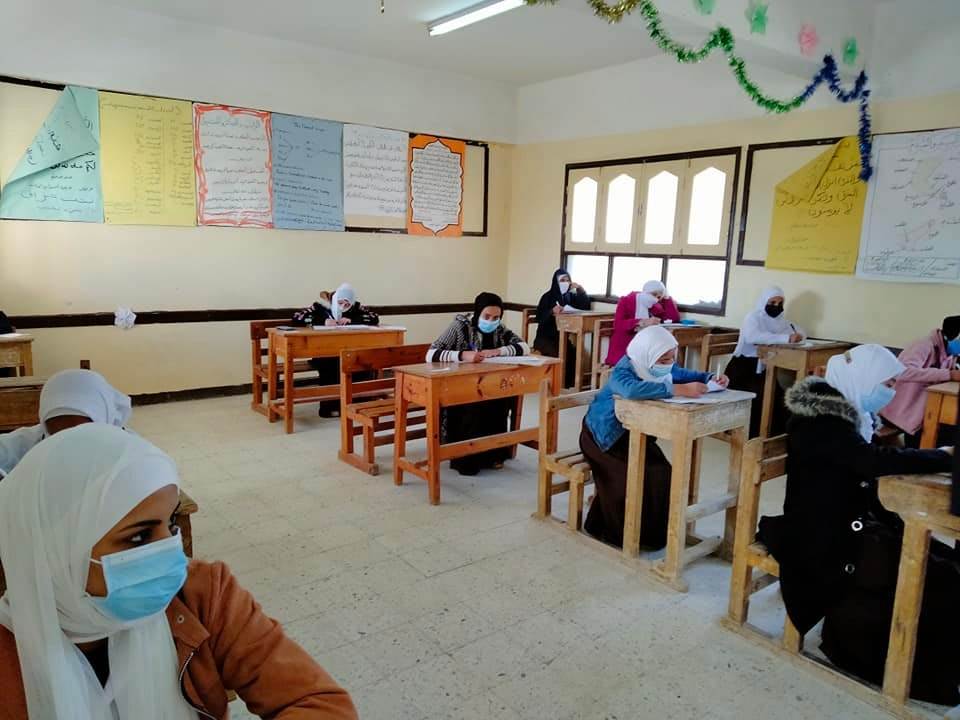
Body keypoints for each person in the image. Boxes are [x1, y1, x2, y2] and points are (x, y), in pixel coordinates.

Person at [0, 424, 358, 719]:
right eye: (138, 537)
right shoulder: (11, 651)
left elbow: (319, 703)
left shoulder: (200, 595)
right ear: (57, 552)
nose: (170, 551)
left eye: (170, 525)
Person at [757, 344, 958, 705]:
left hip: (847, 521)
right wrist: (940, 457)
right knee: (937, 577)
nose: (892, 391)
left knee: (942, 559)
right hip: (821, 538)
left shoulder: (849, 414)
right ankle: (901, 668)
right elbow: (871, 461)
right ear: (862, 378)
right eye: (888, 383)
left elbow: (869, 460)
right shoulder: (819, 421)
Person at [580, 326, 726, 550]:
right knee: (629, 478)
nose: (669, 364)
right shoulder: (624, 369)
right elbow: (630, 390)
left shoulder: (660, 368)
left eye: (672, 358)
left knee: (662, 472)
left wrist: (711, 378)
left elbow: (685, 374)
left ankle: (651, 535)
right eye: (664, 359)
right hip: (602, 439)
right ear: (647, 353)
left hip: (633, 435)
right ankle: (610, 532)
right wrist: (678, 389)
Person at [427, 292, 528, 476]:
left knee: (501, 400)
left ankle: (493, 455)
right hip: (460, 389)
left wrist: (499, 351)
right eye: (487, 316)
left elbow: (524, 347)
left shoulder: (499, 329)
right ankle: (466, 460)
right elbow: (431, 353)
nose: (491, 321)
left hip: (488, 385)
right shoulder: (460, 326)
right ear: (477, 312)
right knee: (472, 408)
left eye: (496, 317)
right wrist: (462, 355)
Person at [0, 369, 131, 477]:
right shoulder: (32, 440)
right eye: (55, 435)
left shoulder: (129, 452)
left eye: (80, 434)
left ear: (105, 420)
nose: (67, 443)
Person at [725, 286, 805, 437]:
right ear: (763, 301)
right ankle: (752, 437)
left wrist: (797, 336)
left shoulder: (780, 321)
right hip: (743, 370)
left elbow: (797, 332)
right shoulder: (753, 317)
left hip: (763, 370)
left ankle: (774, 438)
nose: (776, 306)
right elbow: (753, 337)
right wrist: (786, 338)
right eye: (772, 302)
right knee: (761, 398)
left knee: (780, 398)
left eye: (780, 303)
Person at [291, 284, 380, 418]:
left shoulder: (357, 308)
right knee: (331, 365)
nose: (343, 307)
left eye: (347, 304)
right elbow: (296, 318)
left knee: (362, 362)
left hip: (349, 351)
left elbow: (374, 318)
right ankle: (330, 406)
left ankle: (357, 404)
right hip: (325, 353)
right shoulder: (319, 307)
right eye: (340, 303)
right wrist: (323, 321)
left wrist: (352, 320)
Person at [881, 315, 960, 447]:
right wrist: (949, 374)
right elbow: (903, 371)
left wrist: (953, 371)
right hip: (898, 409)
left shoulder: (949, 352)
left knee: (950, 427)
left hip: (921, 409)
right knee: (939, 432)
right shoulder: (924, 345)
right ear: (952, 336)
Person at [532, 269, 591, 387]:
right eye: (562, 280)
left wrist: (580, 290)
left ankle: (567, 385)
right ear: (556, 281)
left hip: (562, 338)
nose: (565, 282)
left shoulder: (569, 296)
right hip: (545, 339)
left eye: (567, 280)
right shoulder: (547, 297)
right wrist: (551, 311)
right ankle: (555, 384)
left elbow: (585, 306)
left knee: (573, 353)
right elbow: (539, 318)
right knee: (558, 353)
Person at [605, 288, 661, 367]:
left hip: (644, 348)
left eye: (658, 297)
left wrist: (667, 298)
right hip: (624, 348)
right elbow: (618, 325)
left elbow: (673, 317)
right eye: (654, 295)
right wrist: (640, 322)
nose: (656, 299)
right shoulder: (626, 301)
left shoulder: (653, 305)